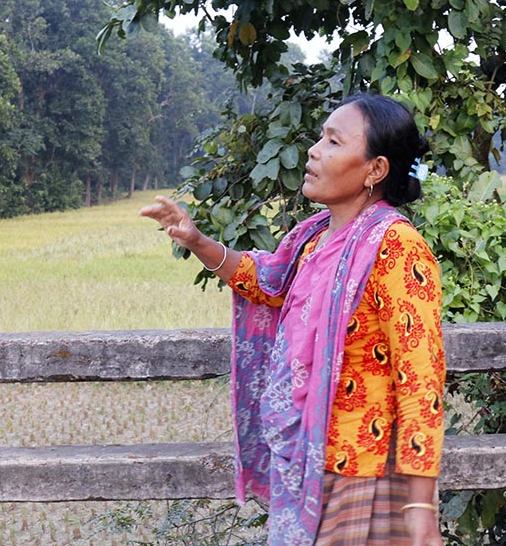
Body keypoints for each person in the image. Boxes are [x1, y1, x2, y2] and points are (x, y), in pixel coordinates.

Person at [140, 92, 445, 546]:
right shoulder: (314, 238)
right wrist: (198, 240)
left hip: (363, 470)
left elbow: (421, 376)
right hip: (308, 462)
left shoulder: (396, 248)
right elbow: (268, 282)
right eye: (320, 137)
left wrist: (421, 506)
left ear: (375, 170)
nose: (314, 151)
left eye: (334, 142)